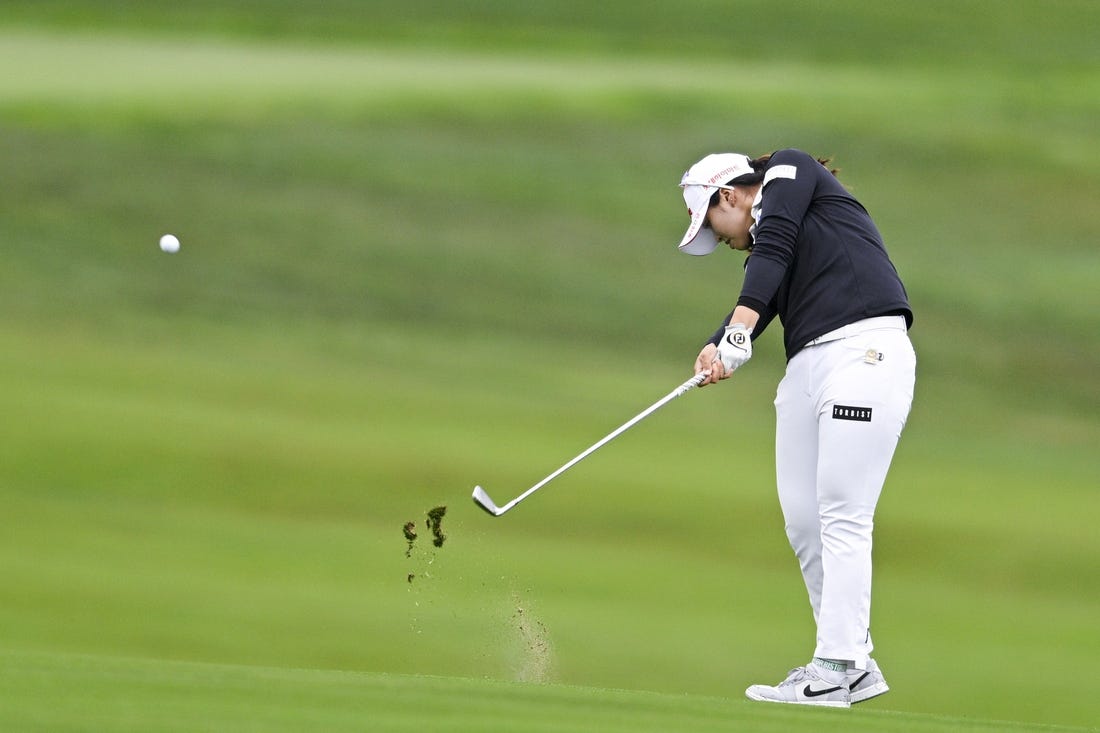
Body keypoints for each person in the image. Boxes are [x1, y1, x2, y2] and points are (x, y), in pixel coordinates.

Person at [676, 149, 916, 708]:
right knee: (805, 519)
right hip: (807, 366)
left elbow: (773, 242)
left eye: (714, 224)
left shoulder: (790, 169)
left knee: (842, 512)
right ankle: (854, 661)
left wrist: (738, 326)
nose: (725, 240)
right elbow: (769, 277)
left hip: (865, 352)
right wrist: (721, 342)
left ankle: (833, 665)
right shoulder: (771, 251)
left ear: (730, 195)